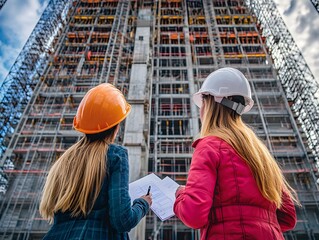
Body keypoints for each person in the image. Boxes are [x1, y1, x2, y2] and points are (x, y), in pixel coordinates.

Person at [173, 67, 299, 239]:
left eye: (203, 103)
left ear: (209, 106)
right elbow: (288, 217)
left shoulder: (209, 146)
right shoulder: (259, 152)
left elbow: (193, 214)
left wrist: (181, 195)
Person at [40, 83, 152, 239]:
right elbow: (122, 221)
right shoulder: (115, 155)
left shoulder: (63, 161)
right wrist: (143, 203)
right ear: (116, 127)